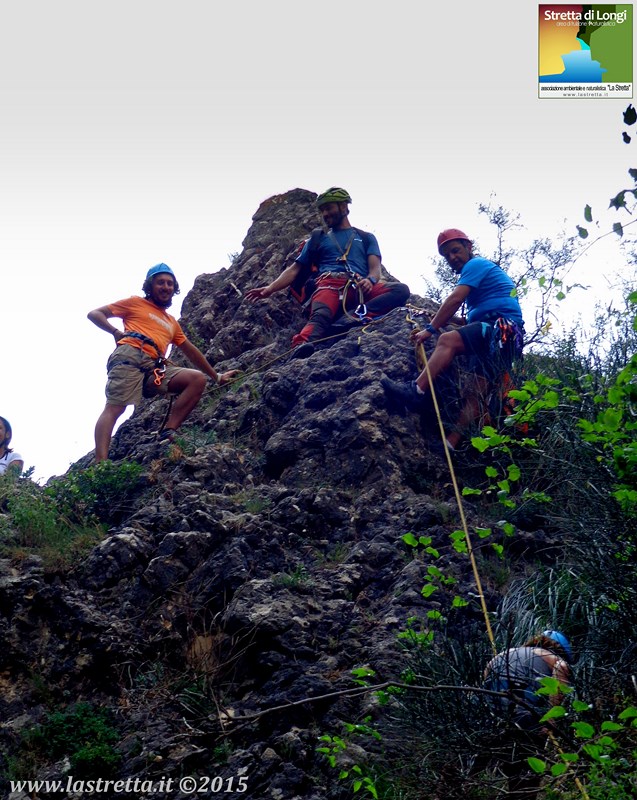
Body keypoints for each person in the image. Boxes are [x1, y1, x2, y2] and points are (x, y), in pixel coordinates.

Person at [381, 228, 524, 450]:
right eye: (447, 255)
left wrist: (430, 329)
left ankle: (416, 391)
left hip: (500, 328)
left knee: (447, 341)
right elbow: (477, 316)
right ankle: (451, 443)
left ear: (469, 247)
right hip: (504, 337)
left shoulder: (475, 265)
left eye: (455, 250)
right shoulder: (483, 277)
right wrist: (453, 320)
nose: (452, 257)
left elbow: (456, 298)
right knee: (476, 391)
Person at [88, 263, 237, 462]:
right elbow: (95, 314)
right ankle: (100, 465)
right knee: (116, 407)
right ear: (150, 286)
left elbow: (191, 352)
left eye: (169, 283)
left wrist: (216, 376)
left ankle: (168, 432)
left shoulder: (171, 322)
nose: (166, 287)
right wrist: (115, 332)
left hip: (154, 366)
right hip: (130, 355)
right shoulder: (135, 303)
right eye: (160, 282)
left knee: (196, 379)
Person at [245, 187, 410, 357]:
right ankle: (300, 345)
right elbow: (295, 269)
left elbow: (375, 269)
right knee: (321, 316)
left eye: (329, 208)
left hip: (359, 287)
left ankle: (351, 317)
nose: (325, 214)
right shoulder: (318, 239)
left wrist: (370, 280)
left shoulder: (366, 237)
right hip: (328, 285)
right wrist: (270, 289)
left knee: (400, 290)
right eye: (322, 210)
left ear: (344, 207)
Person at [482, 630, 573, 800]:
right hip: (525, 715)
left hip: (492, 715)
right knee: (527, 772)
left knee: (500, 764)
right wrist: (550, 718)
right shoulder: (554, 658)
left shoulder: (503, 654)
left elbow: (487, 675)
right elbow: (561, 670)